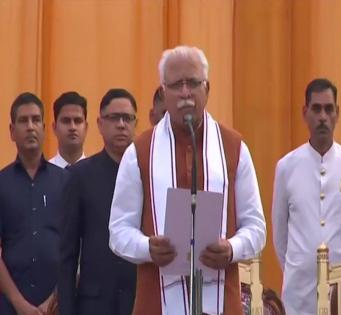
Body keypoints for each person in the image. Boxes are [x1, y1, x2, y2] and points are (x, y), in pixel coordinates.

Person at [108, 45, 266, 315]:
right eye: (176, 85)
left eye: (193, 83)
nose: (185, 93)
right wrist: (148, 248)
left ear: (207, 88)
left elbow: (256, 228)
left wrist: (231, 249)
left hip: (220, 300)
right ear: (163, 92)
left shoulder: (234, 147)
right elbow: (118, 231)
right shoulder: (140, 151)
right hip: (155, 302)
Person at [272, 78, 341, 315]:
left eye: (329, 109)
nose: (323, 116)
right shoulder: (287, 166)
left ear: (338, 113)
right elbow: (280, 234)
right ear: (305, 113)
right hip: (299, 292)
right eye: (316, 109)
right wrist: (300, 266)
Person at [58, 89, 138, 315]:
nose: (121, 124)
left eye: (128, 118)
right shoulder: (80, 176)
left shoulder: (147, 175)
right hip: (94, 304)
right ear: (100, 124)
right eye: (114, 118)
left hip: (139, 301)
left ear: (136, 123)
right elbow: (68, 254)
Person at [0, 92, 68, 315]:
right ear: (11, 131)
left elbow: (76, 248)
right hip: (10, 307)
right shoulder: (2, 183)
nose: (30, 127)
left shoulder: (66, 181)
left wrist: (55, 298)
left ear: (45, 128)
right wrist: (18, 303)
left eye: (36, 120)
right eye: (23, 121)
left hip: (57, 306)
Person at [49, 91, 88, 168]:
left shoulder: (96, 174)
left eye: (77, 121)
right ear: (54, 127)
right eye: (66, 121)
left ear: (86, 127)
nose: (72, 127)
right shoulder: (43, 176)